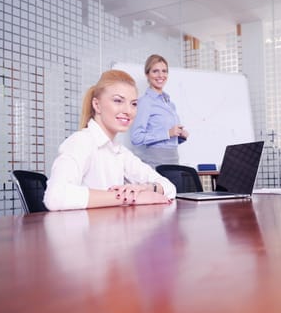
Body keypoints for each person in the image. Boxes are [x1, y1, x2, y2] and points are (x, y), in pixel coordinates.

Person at [44, 70, 176, 211]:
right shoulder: (81, 142)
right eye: (118, 101)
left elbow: (170, 187)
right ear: (97, 105)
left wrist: (146, 188)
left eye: (133, 104)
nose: (128, 111)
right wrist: (130, 198)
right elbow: (55, 197)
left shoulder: (119, 151)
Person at [129, 54, 189, 167]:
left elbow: (168, 140)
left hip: (174, 161)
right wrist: (167, 133)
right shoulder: (145, 102)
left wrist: (180, 136)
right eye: (155, 71)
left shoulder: (170, 104)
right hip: (155, 163)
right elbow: (136, 138)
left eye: (164, 71)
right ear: (147, 74)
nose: (161, 75)